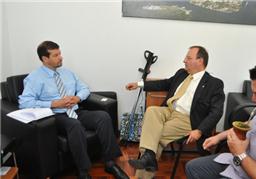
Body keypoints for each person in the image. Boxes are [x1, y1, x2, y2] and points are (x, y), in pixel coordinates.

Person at [18, 41, 129, 179]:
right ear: (45, 59)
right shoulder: (34, 78)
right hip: (55, 117)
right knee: (75, 125)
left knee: (103, 116)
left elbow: (84, 88)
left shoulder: (67, 73)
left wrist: (78, 98)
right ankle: (83, 171)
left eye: (60, 53)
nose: (61, 57)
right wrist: (53, 103)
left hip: (76, 111)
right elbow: (25, 102)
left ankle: (110, 162)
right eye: (56, 55)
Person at [185, 57, 256, 179]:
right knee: (192, 168)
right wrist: (218, 137)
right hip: (240, 162)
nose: (253, 99)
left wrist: (240, 153)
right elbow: (251, 124)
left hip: (250, 169)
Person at [126, 45, 225, 178]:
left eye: (188, 58)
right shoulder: (182, 73)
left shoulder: (214, 84)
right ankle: (149, 158)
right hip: (169, 110)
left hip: (187, 119)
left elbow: (216, 112)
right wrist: (139, 84)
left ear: (200, 61)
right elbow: (164, 83)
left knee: (155, 136)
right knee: (152, 111)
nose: (184, 60)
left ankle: (143, 171)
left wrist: (200, 130)